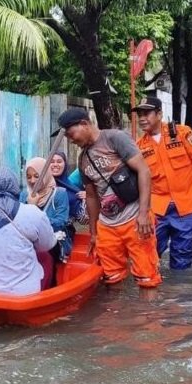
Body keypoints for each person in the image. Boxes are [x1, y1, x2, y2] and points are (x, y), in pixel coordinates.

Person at [56, 109, 162, 288]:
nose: (71, 140)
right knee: (111, 278)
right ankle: (116, 315)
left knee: (147, 278)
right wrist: (93, 233)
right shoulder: (82, 159)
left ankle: (148, 314)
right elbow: (91, 196)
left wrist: (144, 213)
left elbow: (144, 170)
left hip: (134, 218)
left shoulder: (115, 139)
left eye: (71, 134)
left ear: (84, 124)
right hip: (107, 225)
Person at [134, 96, 192, 270]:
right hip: (157, 209)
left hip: (187, 206)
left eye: (146, 113)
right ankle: (151, 291)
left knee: (182, 256)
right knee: (149, 252)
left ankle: (180, 293)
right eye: (139, 114)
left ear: (159, 114)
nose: (142, 118)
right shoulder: (138, 147)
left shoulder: (182, 133)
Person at [0, 168, 58, 295]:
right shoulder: (32, 212)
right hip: (21, 293)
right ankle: (46, 297)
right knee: (46, 258)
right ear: (15, 189)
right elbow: (47, 245)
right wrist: (33, 206)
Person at [20, 157, 74, 263]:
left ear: (45, 175)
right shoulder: (24, 195)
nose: (32, 181)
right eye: (28, 177)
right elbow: (19, 222)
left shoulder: (59, 194)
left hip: (54, 238)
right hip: (30, 238)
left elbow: (60, 222)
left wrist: (33, 209)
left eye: (37, 176)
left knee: (44, 253)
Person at [49, 151, 88, 224]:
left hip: (64, 232)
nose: (55, 164)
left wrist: (89, 198)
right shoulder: (40, 186)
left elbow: (83, 220)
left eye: (59, 162)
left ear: (65, 165)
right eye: (52, 162)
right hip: (42, 231)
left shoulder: (72, 189)